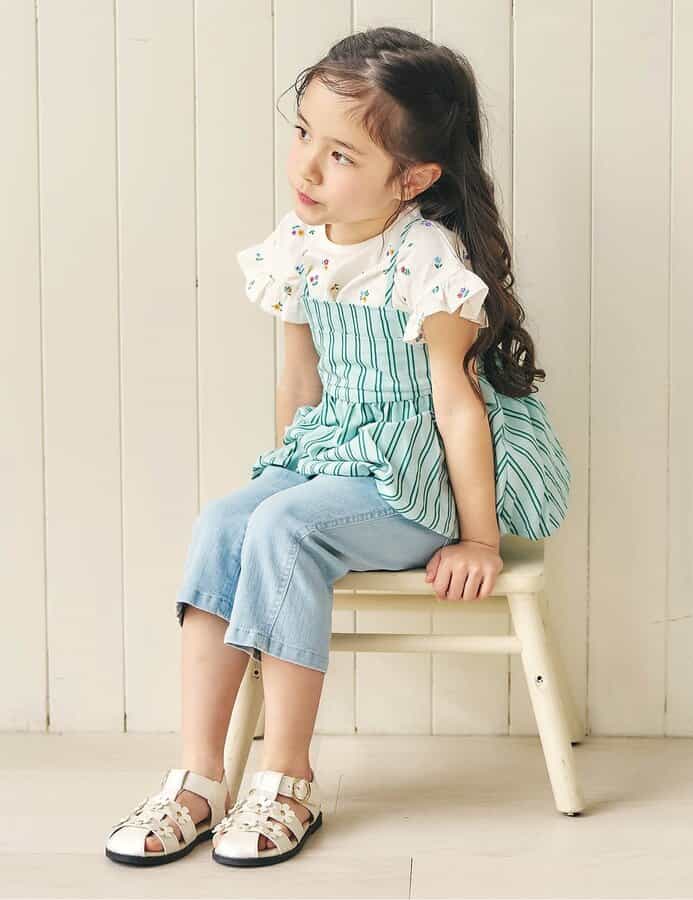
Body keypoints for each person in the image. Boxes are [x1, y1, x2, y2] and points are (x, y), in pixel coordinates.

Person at [105, 25, 571, 869]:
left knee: (286, 531)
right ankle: (199, 778)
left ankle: (287, 779)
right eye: (302, 134)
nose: (308, 168)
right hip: (332, 457)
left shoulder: (426, 259)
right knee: (226, 522)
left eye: (342, 155)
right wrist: (286, 471)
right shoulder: (298, 243)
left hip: (416, 481)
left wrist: (477, 539)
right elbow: (300, 381)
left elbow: (457, 406)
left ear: (414, 177)